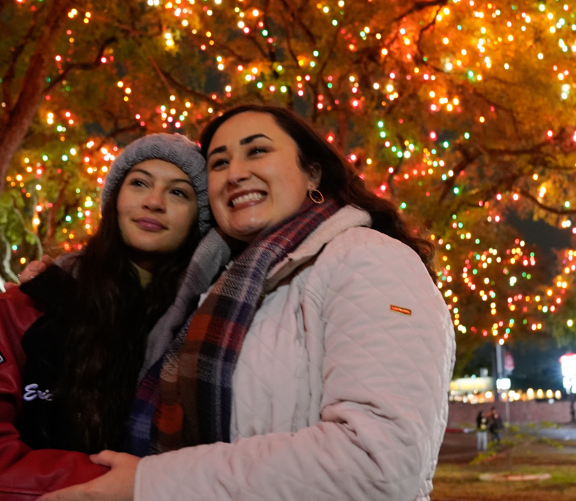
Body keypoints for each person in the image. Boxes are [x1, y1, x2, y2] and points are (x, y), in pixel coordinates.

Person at [43, 105, 455, 501]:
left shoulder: (367, 258)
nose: (235, 173)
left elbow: (377, 463)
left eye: (257, 150)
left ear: (313, 172)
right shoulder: (220, 289)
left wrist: (154, 485)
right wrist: (67, 275)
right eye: (219, 163)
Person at [0, 134, 211, 499]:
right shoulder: (27, 307)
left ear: (201, 218)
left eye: (178, 193)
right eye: (139, 183)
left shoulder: (211, 326)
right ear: (114, 199)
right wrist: (111, 488)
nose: (153, 202)